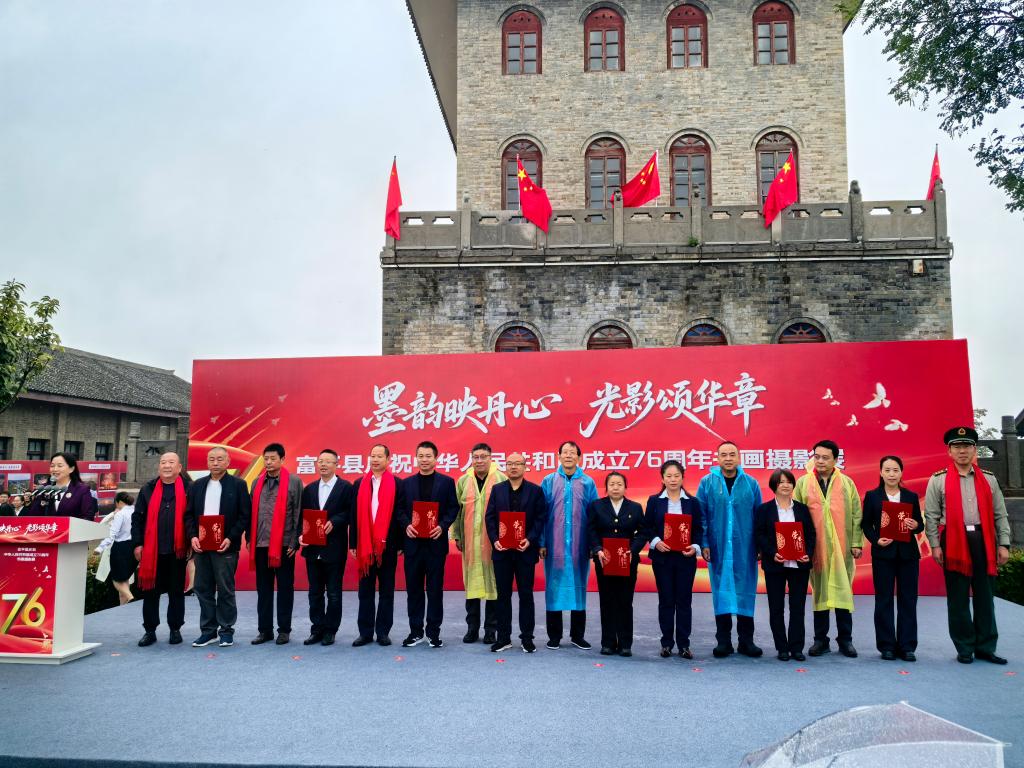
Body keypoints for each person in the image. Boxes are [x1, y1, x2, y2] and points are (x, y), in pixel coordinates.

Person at [925, 426, 1011, 665]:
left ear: (974, 450)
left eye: (966, 446)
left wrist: (1004, 543)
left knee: (985, 597)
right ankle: (964, 647)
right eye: (957, 447)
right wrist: (935, 545)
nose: (962, 451)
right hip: (954, 541)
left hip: (984, 541)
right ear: (949, 451)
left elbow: (1000, 514)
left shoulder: (989, 479)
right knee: (958, 598)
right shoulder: (938, 480)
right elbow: (931, 516)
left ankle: (986, 647)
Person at [794, 439, 863, 658]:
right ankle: (820, 640)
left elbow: (856, 514)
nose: (820, 461)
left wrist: (856, 543)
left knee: (843, 591)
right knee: (820, 594)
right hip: (816, 549)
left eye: (825, 457)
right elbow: (795, 515)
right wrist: (799, 546)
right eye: (817, 457)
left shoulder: (847, 483)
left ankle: (845, 640)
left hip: (842, 548)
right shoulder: (803, 483)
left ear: (835, 460)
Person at [697, 441, 764, 658]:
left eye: (732, 454)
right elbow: (701, 517)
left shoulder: (750, 483)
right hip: (718, 548)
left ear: (739, 457)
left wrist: (760, 545)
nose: (728, 458)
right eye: (724, 454)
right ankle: (723, 641)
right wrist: (704, 543)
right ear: (717, 458)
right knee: (721, 592)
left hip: (745, 548)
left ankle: (746, 641)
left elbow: (759, 517)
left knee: (745, 591)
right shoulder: (706, 483)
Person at [184, 446, 251, 649]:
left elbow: (245, 516)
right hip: (202, 546)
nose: (215, 462)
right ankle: (208, 631)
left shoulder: (238, 485)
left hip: (225, 546)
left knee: (225, 589)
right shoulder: (197, 485)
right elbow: (188, 515)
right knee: (202, 588)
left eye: (220, 459)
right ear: (207, 462)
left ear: (228, 462)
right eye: (212, 459)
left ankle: (226, 630)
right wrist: (193, 537)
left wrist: (231, 538)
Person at [861, 455, 923, 661]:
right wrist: (876, 540)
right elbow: (866, 524)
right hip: (883, 555)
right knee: (884, 599)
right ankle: (886, 645)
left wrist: (915, 525)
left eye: (895, 470)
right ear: (880, 472)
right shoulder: (872, 496)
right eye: (887, 470)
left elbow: (919, 524)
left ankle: (907, 646)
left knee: (908, 600)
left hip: (908, 555)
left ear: (901, 472)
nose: (891, 474)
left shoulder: (910, 496)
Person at [485, 451, 547, 653]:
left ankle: (527, 638)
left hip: (525, 551)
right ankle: (503, 638)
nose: (513, 467)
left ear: (525, 466)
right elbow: (490, 518)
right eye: (510, 463)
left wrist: (530, 539)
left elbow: (540, 519)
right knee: (502, 595)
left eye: (517, 463)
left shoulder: (535, 491)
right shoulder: (497, 490)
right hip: (502, 551)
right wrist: (495, 540)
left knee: (526, 595)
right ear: (505, 466)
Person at [398, 441, 458, 649]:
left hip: (435, 545)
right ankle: (415, 632)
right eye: (421, 456)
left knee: (435, 590)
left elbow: (453, 508)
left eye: (428, 456)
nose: (424, 460)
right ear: (416, 458)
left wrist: (442, 526)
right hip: (413, 545)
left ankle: (433, 633)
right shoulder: (406, 483)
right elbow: (399, 510)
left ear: (436, 458)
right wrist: (406, 525)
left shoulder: (447, 482)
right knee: (413, 590)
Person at [540, 441, 598, 650]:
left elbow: (594, 516)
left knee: (579, 588)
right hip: (554, 544)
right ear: (558, 456)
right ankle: (554, 636)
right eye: (564, 452)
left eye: (572, 453)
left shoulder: (587, 482)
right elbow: (541, 514)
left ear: (579, 457)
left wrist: (593, 544)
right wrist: (541, 542)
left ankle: (577, 635)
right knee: (554, 588)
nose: (568, 456)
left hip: (580, 546)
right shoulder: (548, 481)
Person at [754, 469, 816, 661]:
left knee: (797, 607)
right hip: (775, 565)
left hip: (799, 565)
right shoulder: (764, 510)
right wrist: (773, 552)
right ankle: (782, 648)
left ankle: (796, 648)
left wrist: (807, 554)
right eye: (781, 482)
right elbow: (760, 535)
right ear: (774, 486)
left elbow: (811, 534)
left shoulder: (802, 509)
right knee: (776, 608)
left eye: (788, 482)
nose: (785, 485)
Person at [644, 460, 703, 659]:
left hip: (685, 558)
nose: (673, 479)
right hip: (663, 558)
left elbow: (698, 529)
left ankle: (684, 645)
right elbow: (647, 527)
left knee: (684, 601)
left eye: (676, 475)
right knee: (666, 600)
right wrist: (656, 542)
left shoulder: (692, 502)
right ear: (662, 479)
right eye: (668, 476)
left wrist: (695, 547)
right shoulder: (654, 501)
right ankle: (667, 643)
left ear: (682, 478)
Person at [350, 444, 406, 647]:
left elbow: (400, 515)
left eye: (379, 456)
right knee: (365, 591)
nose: (375, 459)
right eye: (372, 456)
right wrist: (353, 542)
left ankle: (383, 632)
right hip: (364, 546)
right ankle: (365, 633)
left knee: (386, 591)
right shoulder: (359, 483)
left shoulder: (397, 484)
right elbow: (353, 515)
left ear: (388, 459)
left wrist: (400, 543)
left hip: (387, 546)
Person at [132, 452, 190, 647]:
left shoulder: (189, 488)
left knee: (176, 592)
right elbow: (137, 519)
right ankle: (150, 630)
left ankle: (175, 629)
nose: (166, 466)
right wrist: (138, 544)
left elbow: (193, 517)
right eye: (163, 462)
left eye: (171, 462)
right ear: (159, 467)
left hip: (177, 551)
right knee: (150, 592)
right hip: (152, 551)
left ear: (179, 467)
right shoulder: (148, 489)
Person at [247, 443, 302, 646]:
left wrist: (294, 541)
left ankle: (284, 630)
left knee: (285, 588)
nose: (268, 462)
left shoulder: (294, 482)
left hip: (284, 545)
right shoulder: (256, 482)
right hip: (261, 544)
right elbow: (251, 514)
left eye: (272, 459)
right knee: (263, 589)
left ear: (282, 459)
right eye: (266, 459)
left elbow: (298, 512)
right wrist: (249, 539)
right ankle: (265, 630)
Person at [586, 471, 646, 657]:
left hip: (627, 561)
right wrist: (597, 549)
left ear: (625, 487)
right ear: (606, 487)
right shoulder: (596, 506)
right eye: (611, 484)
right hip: (604, 560)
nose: (615, 487)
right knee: (607, 600)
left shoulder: (635, 507)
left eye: (619, 484)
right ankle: (608, 642)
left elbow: (643, 532)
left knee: (625, 601)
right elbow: (591, 530)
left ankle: (625, 643)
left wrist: (633, 550)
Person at [453, 443, 507, 644]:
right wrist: (457, 535)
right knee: (472, 586)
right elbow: (457, 511)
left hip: (494, 543)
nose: (479, 461)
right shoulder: (463, 480)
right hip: (470, 542)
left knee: (493, 585)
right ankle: (472, 628)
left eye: (483, 457)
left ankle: (491, 629)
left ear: (491, 458)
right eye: (476, 457)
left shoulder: (501, 479)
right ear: (471, 459)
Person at [299, 449, 353, 647]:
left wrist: (335, 521)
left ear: (336, 465)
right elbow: (302, 516)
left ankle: (330, 630)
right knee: (314, 593)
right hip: (313, 549)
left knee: (333, 593)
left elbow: (350, 513)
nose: (323, 464)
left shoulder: (345, 488)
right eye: (320, 461)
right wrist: (301, 535)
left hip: (334, 548)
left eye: (328, 461)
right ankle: (317, 629)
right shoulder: (310, 489)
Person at [27, 452, 97, 520]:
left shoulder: (81, 490)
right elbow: (32, 516)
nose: (55, 469)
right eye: (52, 466)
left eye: (60, 466)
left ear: (71, 469)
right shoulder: (43, 489)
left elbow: (87, 517)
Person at [95, 491, 136, 605]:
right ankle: (124, 606)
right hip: (131, 548)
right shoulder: (135, 512)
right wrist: (112, 514)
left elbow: (111, 533)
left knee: (117, 581)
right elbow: (102, 525)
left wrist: (100, 548)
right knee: (124, 581)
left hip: (118, 549)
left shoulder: (121, 514)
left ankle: (130, 598)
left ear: (118, 502)